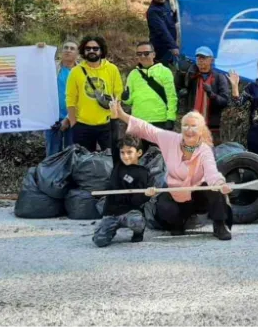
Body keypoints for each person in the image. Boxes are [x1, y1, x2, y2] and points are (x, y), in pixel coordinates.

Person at [112, 100, 234, 240]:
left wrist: (220, 183)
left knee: (214, 190)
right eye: (185, 126)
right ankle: (177, 223)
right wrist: (121, 115)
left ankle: (219, 224)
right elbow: (146, 128)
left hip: (198, 196)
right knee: (164, 207)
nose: (189, 130)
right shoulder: (170, 139)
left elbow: (211, 171)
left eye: (193, 126)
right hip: (176, 194)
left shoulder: (205, 150)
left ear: (200, 129)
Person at [92, 121, 152, 247]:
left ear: (139, 153)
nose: (125, 156)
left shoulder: (143, 173)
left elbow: (137, 201)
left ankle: (138, 232)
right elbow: (114, 138)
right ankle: (110, 229)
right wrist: (114, 118)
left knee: (136, 221)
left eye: (129, 152)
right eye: (122, 152)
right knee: (99, 241)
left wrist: (147, 195)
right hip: (111, 212)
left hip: (129, 212)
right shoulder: (118, 164)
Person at [66, 35, 123, 152]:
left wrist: (115, 118)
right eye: (88, 48)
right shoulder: (75, 71)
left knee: (111, 160)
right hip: (82, 125)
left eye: (95, 48)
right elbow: (70, 98)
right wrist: (73, 123)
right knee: (84, 163)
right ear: (83, 51)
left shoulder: (112, 69)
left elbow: (118, 94)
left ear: (101, 50)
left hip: (107, 124)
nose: (91, 51)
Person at [123, 41, 178, 149]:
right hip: (138, 122)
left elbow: (171, 97)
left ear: (153, 54)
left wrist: (171, 118)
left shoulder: (164, 72)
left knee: (159, 158)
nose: (143, 56)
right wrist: (125, 97)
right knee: (138, 157)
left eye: (146, 53)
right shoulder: (133, 74)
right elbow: (129, 101)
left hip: (159, 122)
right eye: (139, 54)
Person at [178, 46, 231, 141]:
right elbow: (179, 89)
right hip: (192, 125)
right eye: (198, 58)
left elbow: (225, 101)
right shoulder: (191, 75)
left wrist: (211, 94)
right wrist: (179, 72)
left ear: (211, 60)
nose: (200, 61)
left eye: (204, 58)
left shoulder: (219, 77)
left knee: (210, 154)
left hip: (212, 126)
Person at [45, 40, 79, 157]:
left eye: (72, 48)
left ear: (77, 54)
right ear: (61, 51)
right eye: (66, 47)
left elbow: (82, 97)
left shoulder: (82, 72)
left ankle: (70, 175)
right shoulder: (51, 67)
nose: (68, 50)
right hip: (52, 117)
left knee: (72, 151)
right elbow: (33, 66)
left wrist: (68, 118)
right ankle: (52, 174)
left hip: (74, 117)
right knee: (53, 152)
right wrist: (39, 50)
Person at [146, 0, 179, 66]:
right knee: (161, 72)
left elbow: (171, 21)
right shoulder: (153, 12)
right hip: (160, 49)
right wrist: (173, 46)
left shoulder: (165, 4)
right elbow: (162, 30)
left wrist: (178, 14)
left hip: (169, 47)